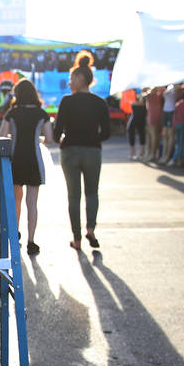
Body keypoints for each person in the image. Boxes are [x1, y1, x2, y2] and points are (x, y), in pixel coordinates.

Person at [53, 54, 111, 250]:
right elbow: (108, 132)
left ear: (80, 78)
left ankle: (77, 239)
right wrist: (93, 140)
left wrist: (62, 140)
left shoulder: (67, 101)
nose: (69, 82)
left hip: (70, 151)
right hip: (93, 152)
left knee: (73, 196)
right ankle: (91, 229)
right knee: (92, 193)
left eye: (71, 78)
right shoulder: (100, 103)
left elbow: (56, 132)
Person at [0, 79, 53, 256]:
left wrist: (14, 137)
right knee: (32, 202)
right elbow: (50, 138)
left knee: (16, 200)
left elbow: (1, 135)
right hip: (34, 160)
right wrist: (38, 139)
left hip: (16, 160)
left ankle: (15, 234)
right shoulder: (42, 114)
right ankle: (31, 241)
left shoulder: (12, 113)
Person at [127, 91, 147, 160]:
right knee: (130, 131)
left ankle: (142, 152)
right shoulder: (133, 91)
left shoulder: (144, 92)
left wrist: (133, 102)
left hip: (140, 115)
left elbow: (143, 103)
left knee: (141, 132)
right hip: (135, 114)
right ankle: (133, 152)